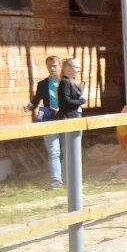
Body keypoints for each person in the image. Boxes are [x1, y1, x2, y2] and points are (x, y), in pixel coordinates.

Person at [24, 55, 82, 189]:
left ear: (60, 66)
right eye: (49, 66)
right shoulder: (43, 84)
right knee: (54, 150)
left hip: (66, 118)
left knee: (68, 149)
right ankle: (57, 180)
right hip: (49, 118)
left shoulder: (68, 82)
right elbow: (36, 100)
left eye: (54, 65)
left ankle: (70, 178)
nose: (51, 68)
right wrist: (30, 106)